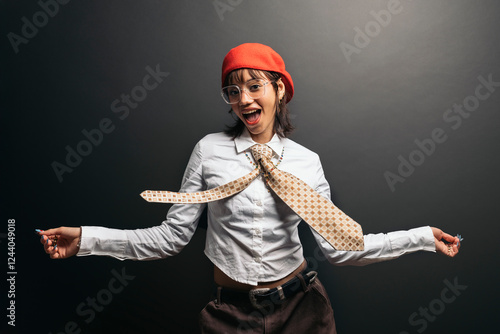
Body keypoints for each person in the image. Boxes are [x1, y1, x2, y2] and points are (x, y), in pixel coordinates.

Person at [37, 43, 461, 334]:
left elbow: (340, 248)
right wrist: (88, 240)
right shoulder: (208, 152)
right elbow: (170, 238)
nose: (243, 99)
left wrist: (420, 238)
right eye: (233, 90)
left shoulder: (305, 161)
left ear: (279, 90)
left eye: (254, 85)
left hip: (303, 310)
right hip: (229, 315)